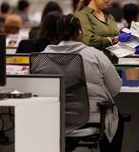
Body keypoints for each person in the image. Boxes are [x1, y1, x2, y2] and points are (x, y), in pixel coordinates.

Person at [42, 14, 123, 151]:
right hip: (91, 117)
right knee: (117, 120)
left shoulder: (44, 56)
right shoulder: (95, 55)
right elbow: (115, 88)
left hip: (56, 118)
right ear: (80, 32)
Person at [75, 0, 139, 63]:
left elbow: (117, 42)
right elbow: (89, 40)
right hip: (93, 64)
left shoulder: (109, 16)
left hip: (113, 64)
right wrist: (115, 39)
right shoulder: (82, 15)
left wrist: (132, 46)